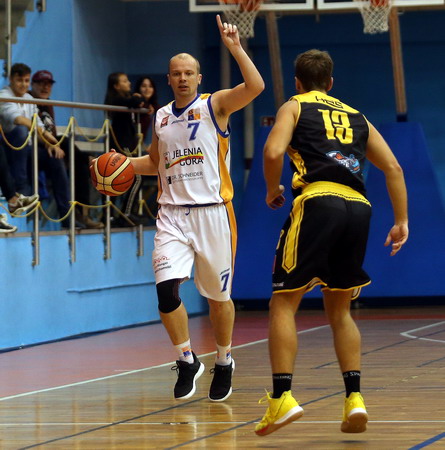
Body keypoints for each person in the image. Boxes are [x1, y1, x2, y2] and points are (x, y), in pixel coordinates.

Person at [254, 49, 408, 436]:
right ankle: (354, 398)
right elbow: (393, 167)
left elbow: (273, 151)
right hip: (359, 208)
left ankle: (282, 398)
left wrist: (272, 188)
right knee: (340, 310)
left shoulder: (294, 105)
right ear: (331, 83)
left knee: (283, 302)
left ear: (297, 82)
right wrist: (401, 221)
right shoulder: (357, 116)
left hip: (318, 200)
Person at [129, 15, 264, 402]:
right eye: (176, 73)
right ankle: (186, 359)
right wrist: (118, 165)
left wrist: (235, 48)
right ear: (169, 79)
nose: (183, 78)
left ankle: (224, 360)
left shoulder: (214, 105)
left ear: (199, 78)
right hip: (171, 215)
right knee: (166, 290)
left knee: (218, 299)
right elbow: (154, 162)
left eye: (189, 72)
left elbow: (256, 87)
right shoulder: (160, 116)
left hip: (213, 213)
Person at [0, 63, 73, 229]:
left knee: (55, 157)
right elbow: (19, 120)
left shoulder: (29, 99)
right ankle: (20, 190)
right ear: (11, 79)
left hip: (27, 149)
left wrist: (50, 144)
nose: (23, 85)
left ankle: (66, 216)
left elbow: (37, 124)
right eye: (19, 80)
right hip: (9, 149)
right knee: (20, 132)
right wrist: (43, 133)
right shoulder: (4, 95)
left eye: (26, 81)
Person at [30, 70, 103, 229]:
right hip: (36, 146)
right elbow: (36, 131)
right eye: (41, 84)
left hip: (52, 144)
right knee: (65, 152)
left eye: (48, 84)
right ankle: (89, 159)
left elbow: (53, 132)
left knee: (80, 163)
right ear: (32, 84)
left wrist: (56, 145)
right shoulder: (28, 101)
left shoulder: (48, 104)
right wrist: (52, 144)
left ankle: (82, 213)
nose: (45, 87)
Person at [104, 72, 145, 226]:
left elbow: (139, 102)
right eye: (124, 81)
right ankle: (124, 213)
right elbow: (136, 101)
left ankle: (121, 213)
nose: (129, 83)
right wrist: (137, 97)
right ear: (116, 86)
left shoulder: (125, 100)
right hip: (121, 145)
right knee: (137, 176)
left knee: (123, 178)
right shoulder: (117, 100)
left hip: (128, 144)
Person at [133, 75, 160, 145]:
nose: (147, 89)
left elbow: (161, 109)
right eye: (144, 86)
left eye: (150, 86)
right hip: (128, 141)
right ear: (139, 88)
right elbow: (137, 103)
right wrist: (147, 106)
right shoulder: (135, 99)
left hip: (140, 143)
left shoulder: (154, 105)